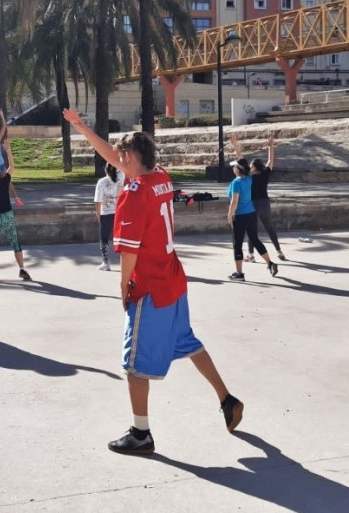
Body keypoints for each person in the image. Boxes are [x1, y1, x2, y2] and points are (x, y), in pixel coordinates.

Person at [63, 108, 243, 456]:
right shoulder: (160, 176)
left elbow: (128, 255)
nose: (116, 159)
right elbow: (115, 156)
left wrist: (123, 290)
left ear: (129, 158)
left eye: (120, 156)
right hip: (174, 279)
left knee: (133, 365)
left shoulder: (132, 195)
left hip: (151, 287)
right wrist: (84, 128)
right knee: (188, 343)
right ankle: (227, 398)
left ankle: (141, 433)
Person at [0, 141, 32, 282]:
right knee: (15, 243)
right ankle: (22, 269)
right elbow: (12, 167)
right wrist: (8, 151)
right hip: (8, 216)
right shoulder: (4, 181)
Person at [231, 135, 286, 262]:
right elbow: (270, 161)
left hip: (253, 204)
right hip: (265, 204)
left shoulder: (250, 176)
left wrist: (235, 145)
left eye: (251, 166)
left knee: (252, 230)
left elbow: (240, 159)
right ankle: (279, 250)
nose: (249, 167)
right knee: (269, 227)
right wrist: (270, 147)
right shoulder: (265, 174)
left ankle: (251, 255)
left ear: (254, 167)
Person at [227, 158, 278, 281]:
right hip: (251, 214)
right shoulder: (249, 178)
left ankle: (239, 274)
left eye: (234, 166)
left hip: (239, 216)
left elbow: (234, 202)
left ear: (238, 169)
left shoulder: (236, 183)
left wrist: (230, 215)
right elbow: (245, 163)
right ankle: (270, 263)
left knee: (237, 244)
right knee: (255, 239)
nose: (233, 168)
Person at [94, 162, 124, 271]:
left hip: (106, 213)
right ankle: (124, 261)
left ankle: (106, 262)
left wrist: (98, 213)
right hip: (120, 212)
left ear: (105, 170)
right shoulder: (121, 178)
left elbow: (98, 201)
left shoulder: (102, 182)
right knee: (121, 238)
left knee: (104, 238)